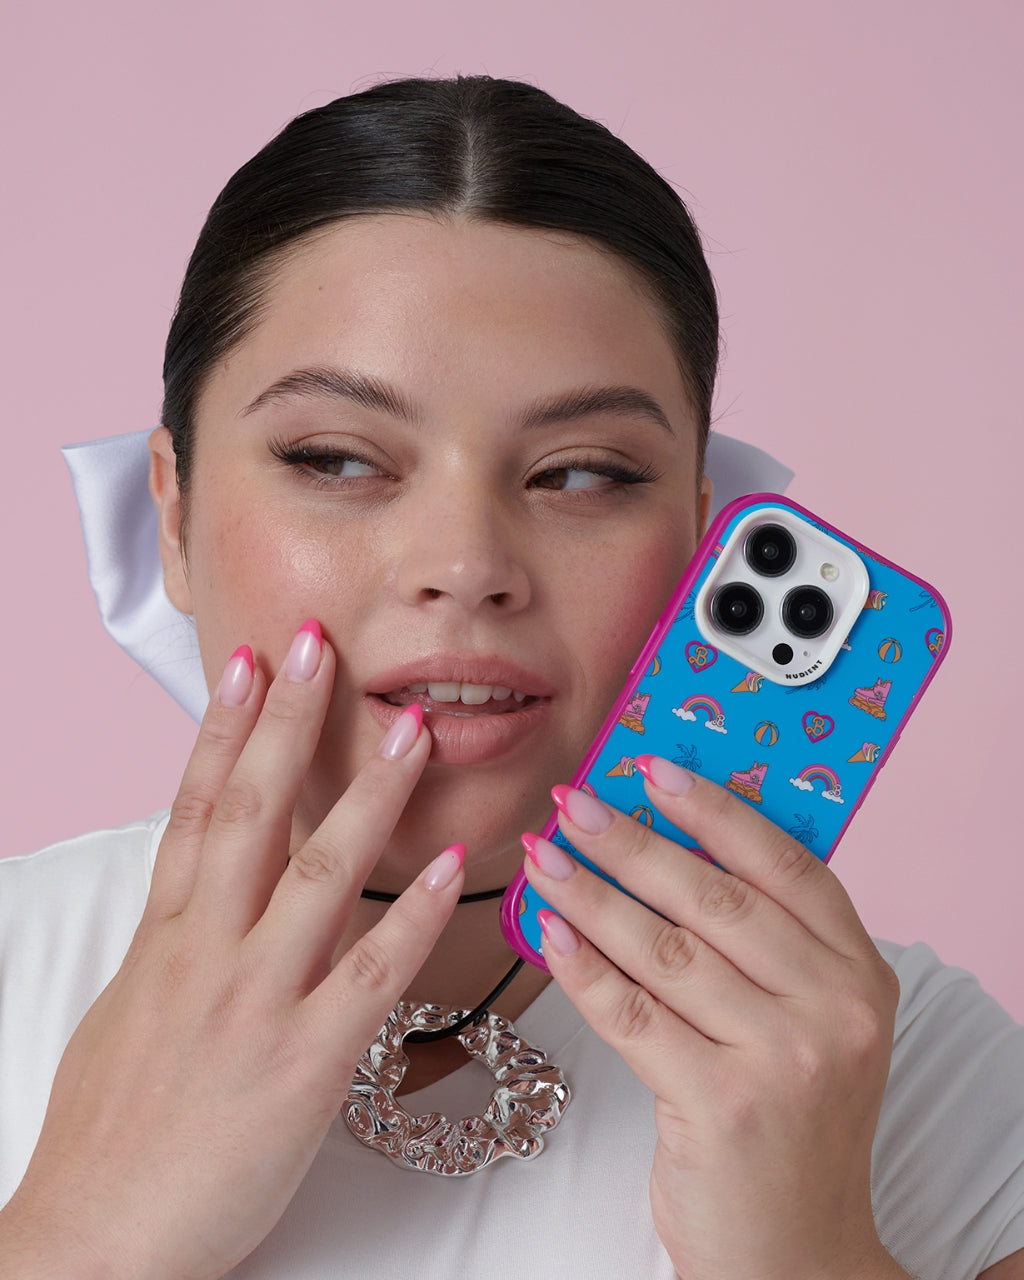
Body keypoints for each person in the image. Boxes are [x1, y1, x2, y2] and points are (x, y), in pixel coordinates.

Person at [0, 75, 1021, 1280]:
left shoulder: (913, 1068)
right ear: (170, 514)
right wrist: (79, 1234)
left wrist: (810, 1252)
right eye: (334, 457)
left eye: (583, 473)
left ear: (697, 539)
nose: (466, 565)